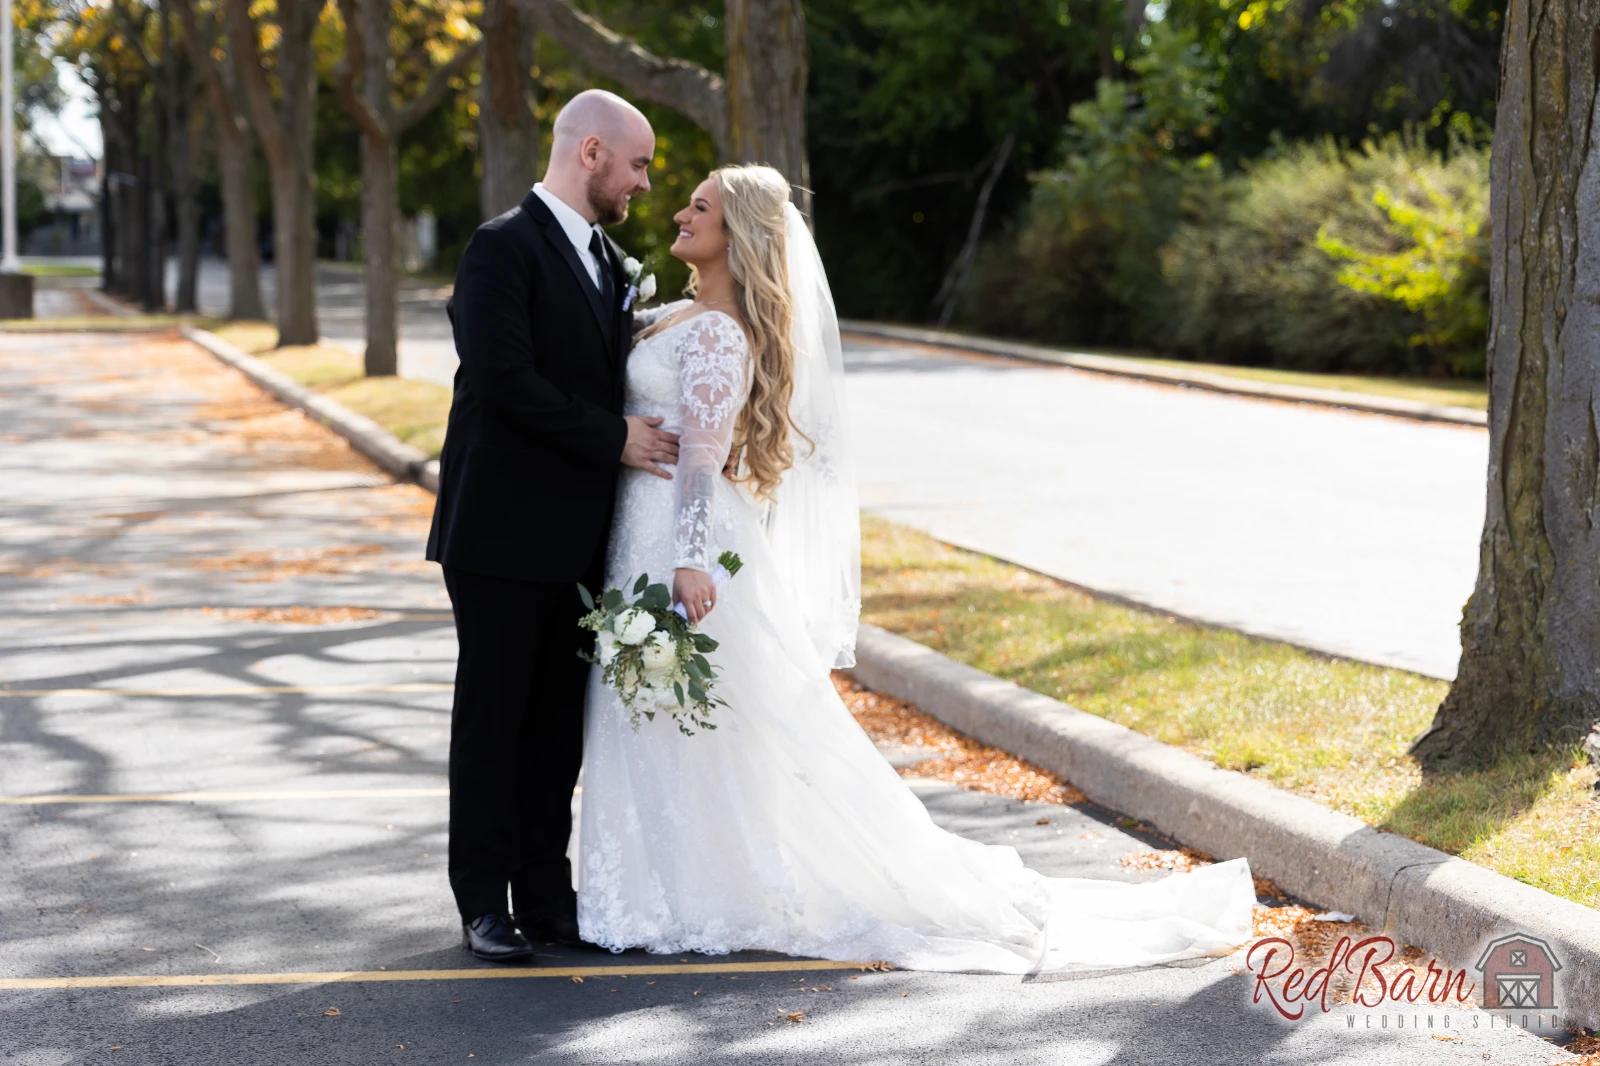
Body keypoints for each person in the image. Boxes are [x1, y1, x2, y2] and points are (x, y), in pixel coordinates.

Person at [571, 163, 1257, 974]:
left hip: (678, 545)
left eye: (701, 206)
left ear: (740, 235)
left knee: (701, 717)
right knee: (671, 720)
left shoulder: (720, 334)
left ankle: (695, 892)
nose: (681, 212)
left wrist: (689, 562)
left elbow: (703, 461)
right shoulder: (676, 314)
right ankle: (659, 885)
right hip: (637, 536)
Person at [425, 89, 680, 963]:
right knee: (493, 720)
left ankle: (544, 893)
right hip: (497, 531)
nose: (645, 183)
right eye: (640, 164)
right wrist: (615, 435)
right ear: (593, 153)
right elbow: (503, 379)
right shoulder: (501, 248)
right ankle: (482, 900)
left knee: (555, 730)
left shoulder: (612, 262)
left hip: (579, 539)